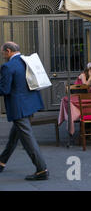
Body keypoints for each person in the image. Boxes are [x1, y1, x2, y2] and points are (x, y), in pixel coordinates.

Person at [0, 42, 49, 180]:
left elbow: (4, 89)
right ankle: (1, 162)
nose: (3, 55)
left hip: (18, 108)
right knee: (14, 136)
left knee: (28, 139)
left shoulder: (7, 66)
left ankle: (41, 169)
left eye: (3, 52)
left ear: (8, 51)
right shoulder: (27, 61)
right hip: (30, 105)